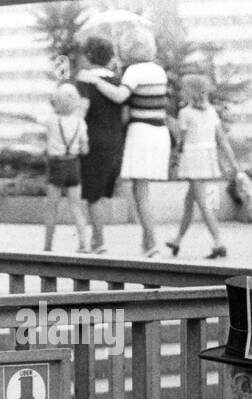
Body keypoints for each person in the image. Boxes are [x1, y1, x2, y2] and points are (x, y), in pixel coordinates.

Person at [78, 27, 169, 257]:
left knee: (140, 192)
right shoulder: (158, 70)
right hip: (159, 133)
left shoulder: (134, 71)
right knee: (143, 190)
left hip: (141, 133)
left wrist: (95, 80)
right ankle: (147, 242)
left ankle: (152, 243)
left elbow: (119, 96)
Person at [166, 74, 239, 260]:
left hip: (192, 159)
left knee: (202, 204)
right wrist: (233, 163)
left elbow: (180, 140)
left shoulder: (185, 113)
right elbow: (222, 139)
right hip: (207, 158)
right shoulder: (211, 112)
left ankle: (218, 242)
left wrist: (173, 156)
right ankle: (177, 240)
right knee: (189, 202)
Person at [75, 36, 124, 255]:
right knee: (102, 193)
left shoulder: (85, 81)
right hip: (115, 142)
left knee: (92, 194)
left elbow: (81, 111)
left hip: (92, 141)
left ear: (88, 56)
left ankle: (99, 241)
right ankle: (96, 238)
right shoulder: (117, 80)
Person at [41, 83, 89, 253]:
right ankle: (84, 243)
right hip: (74, 165)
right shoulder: (80, 122)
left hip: (56, 164)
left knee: (51, 207)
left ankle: (48, 245)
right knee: (76, 207)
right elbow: (85, 149)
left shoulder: (52, 121)